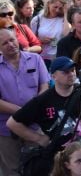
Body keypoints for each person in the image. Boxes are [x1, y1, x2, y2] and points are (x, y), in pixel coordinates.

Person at [0, 27, 49, 176]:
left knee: (40, 167)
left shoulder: (35, 59)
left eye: (12, 40)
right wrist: (23, 112)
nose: (10, 44)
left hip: (34, 125)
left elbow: (45, 87)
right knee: (11, 170)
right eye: (4, 43)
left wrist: (31, 111)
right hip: (5, 129)